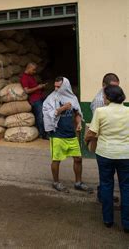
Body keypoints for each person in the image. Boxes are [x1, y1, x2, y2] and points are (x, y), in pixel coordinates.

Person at [85, 85, 129, 233]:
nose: (103, 98)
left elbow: (91, 133)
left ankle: (108, 220)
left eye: (104, 96)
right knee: (126, 187)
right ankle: (127, 224)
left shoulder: (101, 111)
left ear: (109, 98)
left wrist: (86, 141)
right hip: (126, 155)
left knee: (106, 185)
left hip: (105, 154)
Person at [43, 77, 92, 193]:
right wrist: (62, 108)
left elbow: (77, 113)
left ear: (65, 86)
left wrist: (79, 123)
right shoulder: (51, 99)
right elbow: (47, 114)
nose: (56, 88)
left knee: (78, 159)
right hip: (57, 135)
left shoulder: (72, 98)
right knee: (56, 159)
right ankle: (56, 182)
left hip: (71, 135)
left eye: (58, 86)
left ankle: (78, 182)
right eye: (55, 86)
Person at [90, 73, 120, 204]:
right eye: (113, 87)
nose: (116, 91)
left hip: (110, 142)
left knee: (108, 173)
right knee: (106, 174)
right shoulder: (99, 101)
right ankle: (103, 196)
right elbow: (98, 126)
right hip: (104, 142)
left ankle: (105, 194)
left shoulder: (110, 98)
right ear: (104, 86)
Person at [20, 62, 47, 139]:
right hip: (34, 100)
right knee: (40, 116)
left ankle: (45, 131)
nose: (34, 72)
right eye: (33, 70)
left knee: (45, 114)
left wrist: (41, 87)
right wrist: (38, 87)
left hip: (39, 97)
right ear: (28, 68)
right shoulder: (24, 78)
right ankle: (42, 134)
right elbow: (27, 91)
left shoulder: (31, 76)